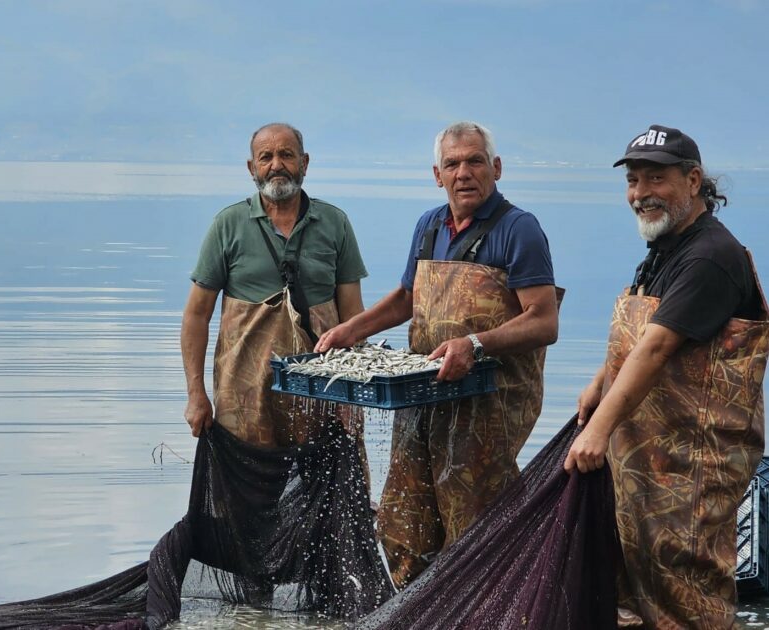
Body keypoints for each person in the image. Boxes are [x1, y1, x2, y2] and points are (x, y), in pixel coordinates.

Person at [315, 121, 560, 588]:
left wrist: (475, 344)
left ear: (497, 168)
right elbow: (407, 299)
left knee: (476, 530)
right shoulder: (428, 226)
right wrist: (351, 330)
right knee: (405, 523)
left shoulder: (519, 229)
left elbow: (543, 321)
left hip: (488, 409)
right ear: (437, 174)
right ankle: (417, 609)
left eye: (474, 161)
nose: (463, 172)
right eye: (452, 163)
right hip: (422, 403)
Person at [564, 124, 768, 628]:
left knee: (685, 592)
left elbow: (655, 348)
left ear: (694, 180)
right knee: (634, 595)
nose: (640, 194)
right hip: (649, 461)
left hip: (694, 463)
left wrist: (597, 430)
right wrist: (598, 382)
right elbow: (640, 334)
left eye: (656, 178)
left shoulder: (710, 256)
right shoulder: (664, 251)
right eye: (633, 181)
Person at [181, 122, 367, 447]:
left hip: (322, 392)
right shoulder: (227, 225)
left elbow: (353, 316)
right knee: (244, 493)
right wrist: (196, 394)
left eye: (286, 155)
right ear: (252, 168)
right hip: (242, 398)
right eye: (265, 157)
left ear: (305, 163)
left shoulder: (335, 223)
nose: (276, 165)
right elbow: (196, 315)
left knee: (326, 489)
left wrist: (353, 394)